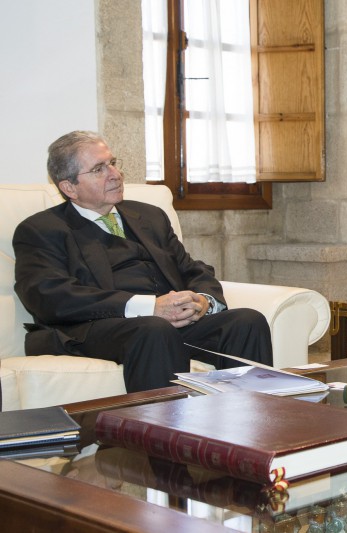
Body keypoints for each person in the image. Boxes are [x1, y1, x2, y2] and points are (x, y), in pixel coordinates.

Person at [13, 131, 273, 393]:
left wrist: (203, 300)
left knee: (246, 321)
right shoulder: (41, 229)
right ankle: (164, 432)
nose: (115, 174)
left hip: (165, 325)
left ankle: (250, 424)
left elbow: (191, 268)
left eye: (113, 163)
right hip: (94, 328)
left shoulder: (149, 216)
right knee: (155, 329)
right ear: (69, 187)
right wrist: (149, 306)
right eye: (99, 169)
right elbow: (49, 296)